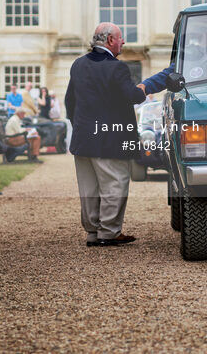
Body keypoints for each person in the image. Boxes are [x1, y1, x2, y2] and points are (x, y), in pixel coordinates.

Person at [66, 22, 147, 247]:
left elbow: (69, 101)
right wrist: (142, 90)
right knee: (115, 183)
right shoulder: (116, 67)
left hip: (83, 139)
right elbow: (132, 96)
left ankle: (92, 232)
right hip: (109, 139)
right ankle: (109, 232)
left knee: (88, 188)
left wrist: (80, 126)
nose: (123, 42)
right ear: (110, 40)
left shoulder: (78, 64)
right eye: (121, 38)